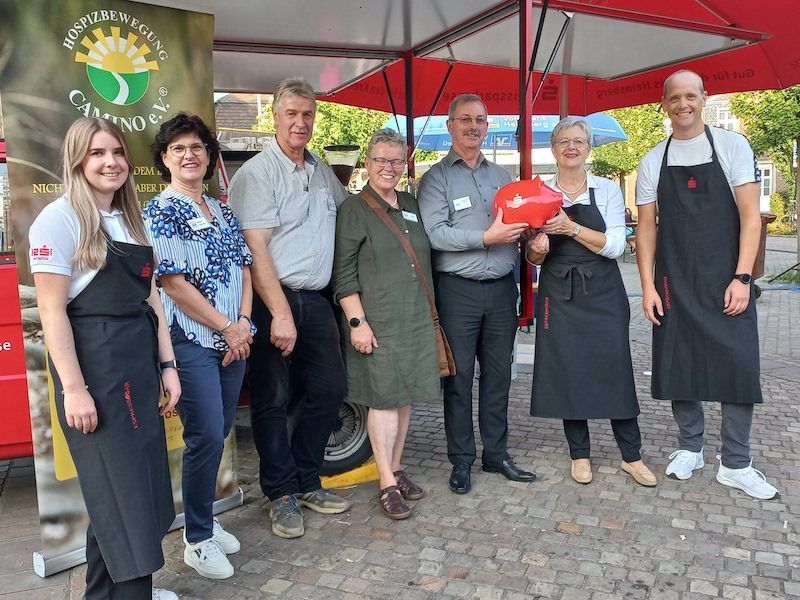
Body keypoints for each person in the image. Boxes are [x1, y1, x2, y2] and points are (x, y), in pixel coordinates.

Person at [30, 117, 180, 600]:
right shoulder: (58, 219)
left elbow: (152, 298)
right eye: (97, 153)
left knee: (133, 496)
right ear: (78, 160)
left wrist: (168, 366)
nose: (110, 161)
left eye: (116, 152)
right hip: (96, 373)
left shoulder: (130, 218)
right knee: (127, 503)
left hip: (137, 365)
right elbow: (52, 312)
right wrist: (74, 389)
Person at [636, 69, 779, 500]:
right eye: (674, 97)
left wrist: (743, 276)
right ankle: (689, 446)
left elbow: (751, 216)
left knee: (738, 364)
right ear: (664, 103)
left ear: (703, 98)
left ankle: (736, 462)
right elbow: (645, 229)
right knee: (680, 361)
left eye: (691, 96)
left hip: (726, 276)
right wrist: (647, 285)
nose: (683, 104)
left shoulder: (733, 145)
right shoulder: (652, 159)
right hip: (673, 278)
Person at [228, 76, 352, 539]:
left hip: (315, 300)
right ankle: (280, 493)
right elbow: (255, 250)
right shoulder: (257, 174)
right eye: (291, 114)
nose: (300, 122)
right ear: (274, 117)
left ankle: (306, 479)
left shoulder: (320, 170)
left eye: (307, 114)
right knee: (273, 399)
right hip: (269, 300)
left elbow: (349, 218)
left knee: (330, 389)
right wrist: (279, 313)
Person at [143, 113, 254, 579]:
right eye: (178, 148)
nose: (189, 155)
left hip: (233, 339)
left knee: (220, 429)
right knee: (206, 435)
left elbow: (244, 268)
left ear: (209, 155)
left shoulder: (222, 208)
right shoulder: (159, 211)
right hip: (190, 341)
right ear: (165, 158)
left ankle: (204, 521)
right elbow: (172, 283)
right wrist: (227, 326)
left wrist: (244, 323)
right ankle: (197, 539)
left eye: (197, 147)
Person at [526, 117, 656, 487]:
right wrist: (536, 251)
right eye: (564, 141)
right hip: (559, 292)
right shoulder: (539, 192)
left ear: (588, 148)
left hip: (602, 292)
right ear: (553, 149)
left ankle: (632, 456)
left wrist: (572, 229)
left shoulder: (607, 191)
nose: (571, 147)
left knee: (614, 368)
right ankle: (579, 454)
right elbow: (533, 259)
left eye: (579, 141)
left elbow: (616, 246)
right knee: (569, 369)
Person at [418, 93, 536, 494]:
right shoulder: (435, 178)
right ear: (450, 126)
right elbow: (435, 235)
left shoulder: (503, 179)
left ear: (488, 126)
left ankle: (496, 454)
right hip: (457, 291)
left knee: (499, 375)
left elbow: (522, 226)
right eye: (465, 119)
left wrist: (534, 235)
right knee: (459, 378)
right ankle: (462, 459)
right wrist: (487, 236)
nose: (473, 126)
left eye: (481, 120)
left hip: (502, 290)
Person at [332, 129, 440, 519]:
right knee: (383, 399)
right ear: (368, 161)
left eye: (396, 161)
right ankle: (385, 482)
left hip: (413, 316)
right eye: (381, 160)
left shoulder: (410, 202)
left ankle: (396, 467)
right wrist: (357, 322)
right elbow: (343, 274)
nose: (388, 168)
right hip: (377, 319)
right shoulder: (353, 209)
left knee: (405, 394)